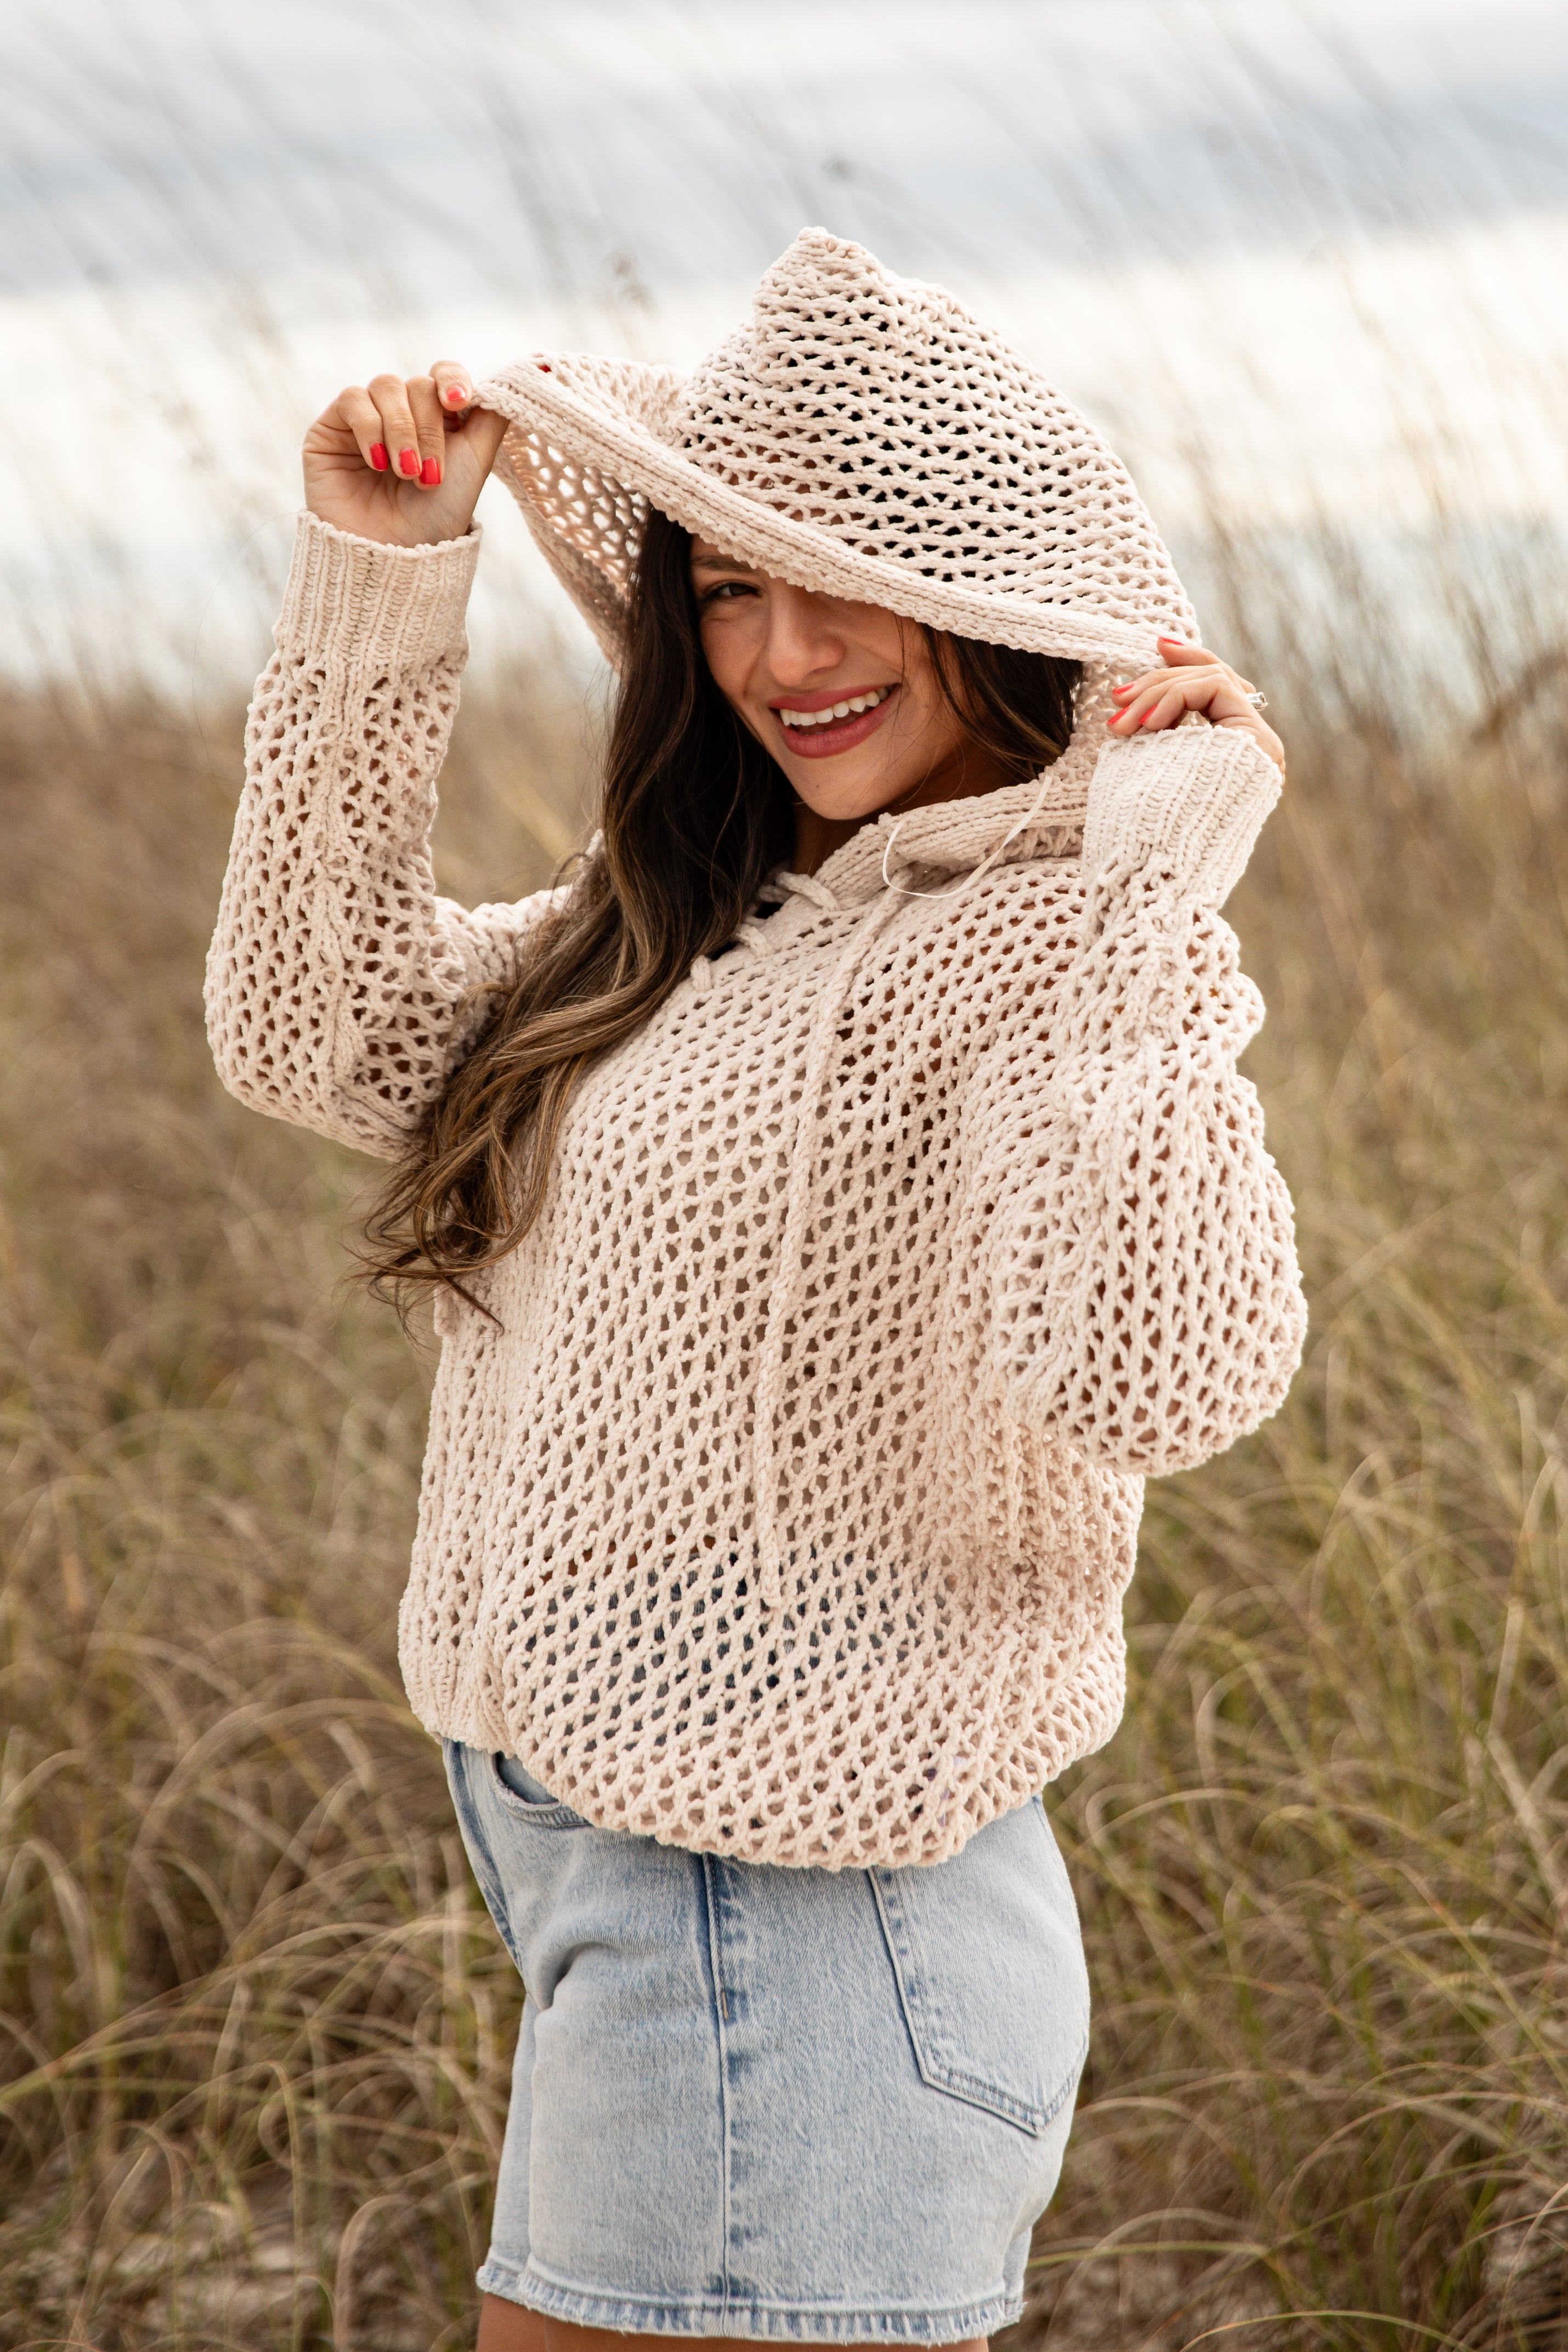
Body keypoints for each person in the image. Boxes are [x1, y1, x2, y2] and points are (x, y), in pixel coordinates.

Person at [206, 229, 1306, 2352]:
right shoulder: (709, 918)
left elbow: (1158, 1369)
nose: (778, 649)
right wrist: (380, 587)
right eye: (723, 584)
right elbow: (313, 1024)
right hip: (615, 1889)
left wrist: (1143, 891)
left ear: (996, 611)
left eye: (842, 581)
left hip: (805, 1937)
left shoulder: (1057, 945)